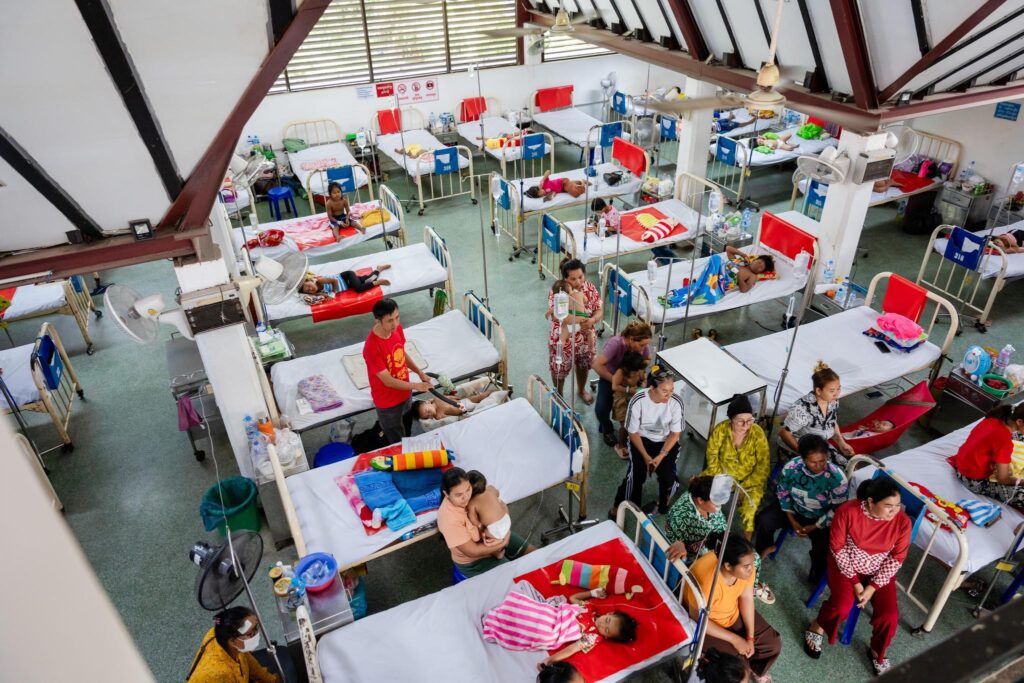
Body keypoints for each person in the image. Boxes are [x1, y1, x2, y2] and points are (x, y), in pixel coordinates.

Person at [804, 477, 911, 676]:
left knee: (890, 616)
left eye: (898, 505)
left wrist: (872, 587)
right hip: (845, 565)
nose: (895, 511)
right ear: (870, 502)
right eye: (888, 506)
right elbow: (837, 548)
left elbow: (897, 558)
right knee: (841, 606)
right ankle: (817, 625)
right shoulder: (848, 511)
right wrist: (855, 582)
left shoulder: (902, 522)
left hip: (878, 572)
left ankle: (877, 651)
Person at [701, 394, 773, 603]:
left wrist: (743, 489)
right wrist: (724, 482)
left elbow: (763, 466)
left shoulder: (757, 434)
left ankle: (745, 549)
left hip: (750, 480)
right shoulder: (720, 431)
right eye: (740, 421)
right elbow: (712, 459)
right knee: (710, 499)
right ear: (731, 419)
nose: (745, 425)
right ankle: (708, 537)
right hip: (723, 475)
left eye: (749, 420)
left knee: (750, 511)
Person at [753, 434, 849, 584]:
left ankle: (816, 573)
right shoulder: (792, 468)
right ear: (803, 459)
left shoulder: (837, 478)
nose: (819, 466)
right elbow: (783, 493)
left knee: (825, 547)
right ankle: (764, 549)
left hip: (821, 518)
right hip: (793, 508)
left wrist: (815, 526)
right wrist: (792, 520)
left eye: (822, 460)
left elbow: (838, 509)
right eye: (813, 462)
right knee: (763, 520)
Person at [684, 536, 782, 683]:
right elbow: (697, 619)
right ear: (728, 566)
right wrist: (735, 639)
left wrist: (750, 637)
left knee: (772, 644)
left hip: (731, 613)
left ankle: (755, 668)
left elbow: (746, 597)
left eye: (752, 564)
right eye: (746, 566)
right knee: (738, 668)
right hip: (707, 624)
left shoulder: (746, 568)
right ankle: (747, 667)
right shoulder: (707, 581)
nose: (751, 569)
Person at [611, 365, 683, 516]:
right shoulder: (638, 400)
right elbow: (633, 432)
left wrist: (660, 456)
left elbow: (675, 434)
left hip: (665, 443)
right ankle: (622, 506)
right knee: (635, 475)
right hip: (641, 440)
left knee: (667, 477)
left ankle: (663, 503)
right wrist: (645, 456)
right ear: (652, 388)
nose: (669, 394)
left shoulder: (676, 402)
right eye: (664, 391)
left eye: (671, 390)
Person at [437, 468, 532, 577]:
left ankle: (499, 552)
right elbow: (473, 551)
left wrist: (504, 534)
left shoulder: (475, 487)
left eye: (468, 489)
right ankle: (498, 554)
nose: (466, 497)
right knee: (514, 576)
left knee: (536, 555)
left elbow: (501, 507)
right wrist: (503, 541)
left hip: (494, 534)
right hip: (475, 560)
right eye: (459, 495)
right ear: (446, 493)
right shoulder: (449, 518)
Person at [363, 298, 432, 445]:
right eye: (390, 320)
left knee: (407, 428)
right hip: (388, 403)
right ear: (378, 321)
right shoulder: (371, 347)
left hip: (405, 394)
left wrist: (419, 372)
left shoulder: (396, 329)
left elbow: (401, 353)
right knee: (396, 440)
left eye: (397, 317)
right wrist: (417, 386)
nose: (395, 324)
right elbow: (388, 381)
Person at [779, 361, 857, 467]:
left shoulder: (833, 401)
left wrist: (841, 443)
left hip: (819, 444)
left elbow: (832, 422)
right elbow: (784, 433)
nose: (837, 394)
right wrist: (805, 455)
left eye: (839, 388)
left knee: (846, 468)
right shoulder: (803, 409)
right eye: (832, 390)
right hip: (802, 446)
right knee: (826, 472)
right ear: (819, 391)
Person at [547, 258, 603, 404]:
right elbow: (558, 316)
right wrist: (581, 319)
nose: (578, 282)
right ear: (565, 278)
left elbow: (598, 309)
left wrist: (592, 320)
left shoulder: (589, 288)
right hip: (564, 336)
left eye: (580, 277)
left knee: (583, 365)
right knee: (559, 368)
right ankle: (559, 394)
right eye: (573, 279)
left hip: (584, 335)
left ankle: (581, 390)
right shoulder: (559, 290)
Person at [950, 404, 1024, 512]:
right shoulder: (1005, 441)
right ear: (1019, 422)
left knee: (1020, 437)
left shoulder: (996, 417)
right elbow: (1003, 478)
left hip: (961, 462)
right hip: (973, 480)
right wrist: (1021, 481)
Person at [592, 321, 653, 447]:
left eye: (646, 345)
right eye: (642, 345)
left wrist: (639, 368)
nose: (644, 349)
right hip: (610, 377)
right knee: (601, 410)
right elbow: (596, 365)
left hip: (632, 379)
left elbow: (648, 359)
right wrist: (616, 380)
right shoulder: (615, 344)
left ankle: (632, 430)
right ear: (631, 339)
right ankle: (607, 429)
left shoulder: (642, 344)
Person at [186, 607, 280, 683]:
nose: (256, 634)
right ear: (233, 642)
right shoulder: (219, 673)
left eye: (256, 627)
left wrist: (272, 680)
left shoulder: (224, 634)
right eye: (250, 634)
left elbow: (248, 661)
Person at [404, 376, 506, 433]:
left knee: (479, 397)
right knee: (477, 402)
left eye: (427, 411)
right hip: (464, 409)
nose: (429, 414)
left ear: (427, 402)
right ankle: (496, 395)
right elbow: (449, 419)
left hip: (463, 402)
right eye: (426, 417)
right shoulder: (438, 416)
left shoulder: (436, 399)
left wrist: (456, 397)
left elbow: (447, 397)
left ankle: (494, 391)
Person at [664, 475, 727, 563]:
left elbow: (721, 524)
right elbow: (675, 549)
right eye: (717, 503)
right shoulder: (681, 518)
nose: (721, 505)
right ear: (700, 500)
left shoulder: (706, 502)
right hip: (693, 558)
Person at [611, 351, 648, 458]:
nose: (638, 372)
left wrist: (643, 384)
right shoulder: (620, 372)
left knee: (636, 421)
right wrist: (628, 390)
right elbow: (614, 386)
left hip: (634, 397)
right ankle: (620, 445)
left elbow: (644, 379)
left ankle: (632, 439)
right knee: (625, 425)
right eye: (636, 370)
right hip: (621, 399)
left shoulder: (639, 369)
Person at [467, 470, 511, 555]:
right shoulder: (490, 489)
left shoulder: (472, 503)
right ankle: (504, 544)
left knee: (483, 534)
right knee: (501, 534)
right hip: (506, 520)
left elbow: (472, 519)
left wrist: (480, 525)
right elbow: (497, 493)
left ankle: (498, 552)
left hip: (494, 530)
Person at [300, 264, 391, 296]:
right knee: (369, 279)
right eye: (308, 291)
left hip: (346, 277)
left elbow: (334, 281)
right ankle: (379, 269)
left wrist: (333, 292)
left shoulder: (320, 281)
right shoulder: (318, 291)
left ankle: (378, 282)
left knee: (359, 289)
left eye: (309, 286)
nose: (310, 289)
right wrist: (317, 294)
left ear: (311, 281)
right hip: (349, 284)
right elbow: (324, 295)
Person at [551, 279, 590, 348]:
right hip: (583, 320)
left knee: (562, 338)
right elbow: (586, 300)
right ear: (569, 287)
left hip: (571, 323)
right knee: (589, 332)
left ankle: (559, 351)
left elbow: (558, 313)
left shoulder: (564, 299)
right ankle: (591, 348)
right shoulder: (580, 293)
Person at [525, 170, 589, 200]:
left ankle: (582, 182)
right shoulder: (545, 194)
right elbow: (554, 191)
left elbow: (548, 171)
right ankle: (576, 183)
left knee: (576, 194)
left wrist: (543, 179)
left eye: (540, 191)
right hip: (563, 189)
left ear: (539, 188)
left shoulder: (543, 184)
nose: (542, 193)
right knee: (573, 188)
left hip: (563, 183)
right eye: (540, 195)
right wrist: (552, 195)